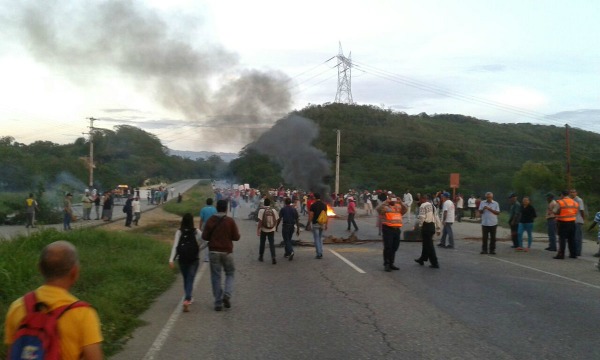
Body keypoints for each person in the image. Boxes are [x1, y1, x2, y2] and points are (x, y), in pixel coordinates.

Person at [4, 240, 103, 359]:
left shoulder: (17, 306)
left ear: (40, 269)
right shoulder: (83, 314)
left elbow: (12, 353)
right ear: (75, 272)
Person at [202, 200, 240, 311]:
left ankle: (218, 302)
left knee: (216, 276)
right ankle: (227, 295)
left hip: (213, 252)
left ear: (216, 208)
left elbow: (204, 237)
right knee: (230, 273)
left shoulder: (210, 220)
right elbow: (236, 237)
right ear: (226, 209)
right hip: (227, 252)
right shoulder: (230, 221)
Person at [169, 213, 204, 312]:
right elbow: (206, 241)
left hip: (182, 259)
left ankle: (188, 297)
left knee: (186, 278)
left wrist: (171, 260)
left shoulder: (179, 232)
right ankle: (187, 298)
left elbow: (175, 246)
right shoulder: (196, 231)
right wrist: (199, 248)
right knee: (190, 278)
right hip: (193, 259)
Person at [377, 196, 408, 272]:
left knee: (394, 247)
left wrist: (401, 202)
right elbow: (378, 209)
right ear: (389, 199)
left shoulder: (398, 206)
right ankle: (387, 264)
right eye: (392, 199)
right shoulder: (385, 207)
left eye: (394, 199)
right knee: (388, 247)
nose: (393, 201)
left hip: (396, 229)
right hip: (388, 229)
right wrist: (385, 202)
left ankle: (391, 263)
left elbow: (405, 210)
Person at [414, 194, 441, 268]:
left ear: (423, 199)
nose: (419, 201)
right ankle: (422, 259)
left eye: (420, 199)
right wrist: (438, 228)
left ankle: (435, 263)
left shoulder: (423, 206)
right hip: (432, 226)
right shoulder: (433, 206)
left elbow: (422, 217)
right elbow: (436, 217)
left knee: (429, 246)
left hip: (426, 226)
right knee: (426, 244)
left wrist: (420, 226)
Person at [553, 190, 579, 260]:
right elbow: (575, 212)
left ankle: (561, 254)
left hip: (563, 223)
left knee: (562, 239)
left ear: (562, 195)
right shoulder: (575, 202)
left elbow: (554, 211)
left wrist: (558, 214)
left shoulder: (560, 202)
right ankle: (573, 254)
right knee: (572, 239)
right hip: (572, 222)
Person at [257, 198, 279, 264]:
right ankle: (273, 257)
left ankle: (261, 256)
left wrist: (258, 229)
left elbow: (260, 221)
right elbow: (277, 219)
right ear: (270, 203)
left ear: (264, 203)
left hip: (264, 229)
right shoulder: (273, 210)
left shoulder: (261, 210)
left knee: (262, 243)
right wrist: (274, 226)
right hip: (271, 229)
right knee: (271, 243)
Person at [307, 193, 328, 259]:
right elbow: (326, 215)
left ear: (315, 198)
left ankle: (319, 253)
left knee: (316, 239)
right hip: (322, 223)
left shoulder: (313, 205)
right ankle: (320, 251)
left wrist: (308, 224)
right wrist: (326, 224)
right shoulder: (324, 205)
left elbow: (311, 215)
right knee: (320, 238)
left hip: (315, 223)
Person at [199, 198, 218, 262]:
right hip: (213, 226)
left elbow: (201, 219)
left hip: (205, 225)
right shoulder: (215, 209)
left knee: (206, 242)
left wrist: (200, 227)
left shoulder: (203, 209)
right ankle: (212, 256)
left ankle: (206, 257)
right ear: (212, 203)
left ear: (206, 202)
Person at [570, 189, 585, 256]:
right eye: (571, 192)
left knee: (577, 237)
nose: (572, 193)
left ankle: (578, 251)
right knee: (573, 237)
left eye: (573, 192)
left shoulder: (579, 200)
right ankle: (574, 250)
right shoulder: (571, 200)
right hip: (572, 220)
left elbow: (582, 210)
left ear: (576, 193)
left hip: (578, 220)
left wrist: (583, 219)